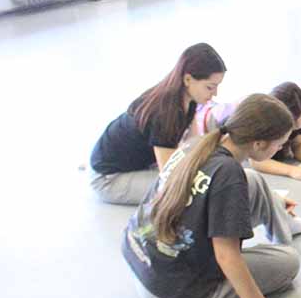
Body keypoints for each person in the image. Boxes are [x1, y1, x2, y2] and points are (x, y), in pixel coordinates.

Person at [122, 94, 301, 298]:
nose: (281, 148)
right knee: (288, 261)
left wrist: (273, 201)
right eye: (279, 144)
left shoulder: (200, 144)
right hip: (175, 293)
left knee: (252, 179)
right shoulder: (228, 175)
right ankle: (281, 238)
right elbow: (226, 256)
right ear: (258, 144)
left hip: (144, 263)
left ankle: (286, 225)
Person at [90, 43, 226, 205]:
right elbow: (170, 175)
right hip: (108, 179)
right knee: (190, 191)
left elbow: (194, 144)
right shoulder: (164, 113)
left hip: (140, 164)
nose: (215, 93)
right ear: (188, 79)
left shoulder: (187, 100)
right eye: (210, 87)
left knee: (200, 179)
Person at [194, 83, 301, 182]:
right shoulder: (261, 123)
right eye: (295, 122)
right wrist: (293, 170)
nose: (300, 126)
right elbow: (257, 161)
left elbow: (299, 145)